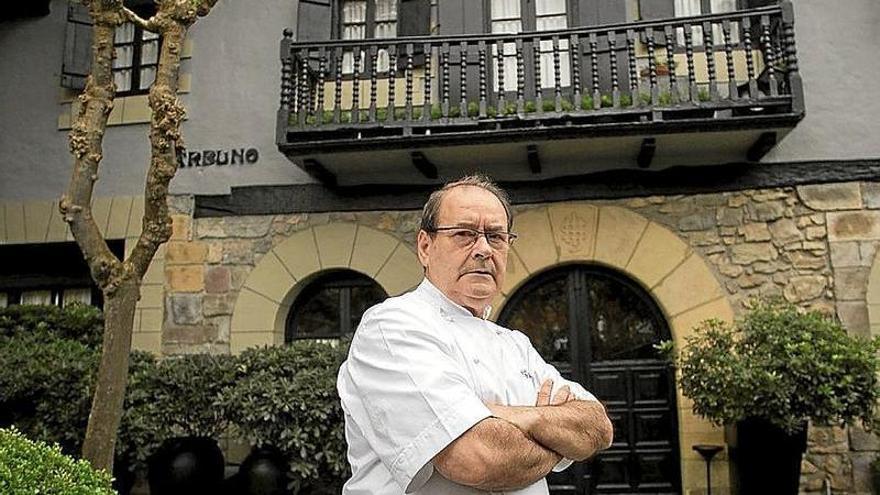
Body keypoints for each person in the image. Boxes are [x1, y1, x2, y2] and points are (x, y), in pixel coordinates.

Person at [336, 175, 613, 494]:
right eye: (464, 234)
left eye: (496, 236)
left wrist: (511, 417)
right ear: (425, 247)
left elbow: (597, 427)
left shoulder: (515, 345)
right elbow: (479, 458)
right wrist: (556, 435)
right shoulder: (391, 326)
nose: (483, 249)